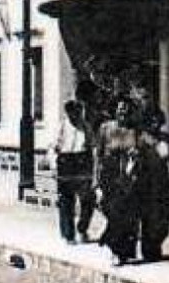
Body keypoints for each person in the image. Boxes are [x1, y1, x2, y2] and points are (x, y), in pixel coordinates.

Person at [95, 97, 141, 266]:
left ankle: (126, 251)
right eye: (120, 108)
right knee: (114, 212)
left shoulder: (134, 130)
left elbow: (138, 152)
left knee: (129, 214)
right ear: (115, 110)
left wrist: (135, 159)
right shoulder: (106, 128)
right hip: (110, 174)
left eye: (127, 109)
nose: (123, 111)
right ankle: (115, 249)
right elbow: (98, 155)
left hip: (129, 175)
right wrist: (96, 182)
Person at [47, 99, 96, 245]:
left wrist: (94, 167)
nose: (74, 114)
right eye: (71, 110)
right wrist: (54, 167)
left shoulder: (86, 127)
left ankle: (82, 228)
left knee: (88, 199)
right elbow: (52, 148)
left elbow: (93, 147)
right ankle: (68, 235)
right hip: (66, 163)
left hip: (82, 163)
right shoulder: (61, 127)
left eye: (77, 110)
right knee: (66, 201)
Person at [133, 106, 169, 264]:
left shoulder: (166, 138)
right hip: (145, 182)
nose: (155, 124)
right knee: (149, 216)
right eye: (151, 121)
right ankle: (149, 249)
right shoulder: (141, 139)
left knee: (165, 214)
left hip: (163, 181)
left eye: (157, 121)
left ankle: (157, 243)